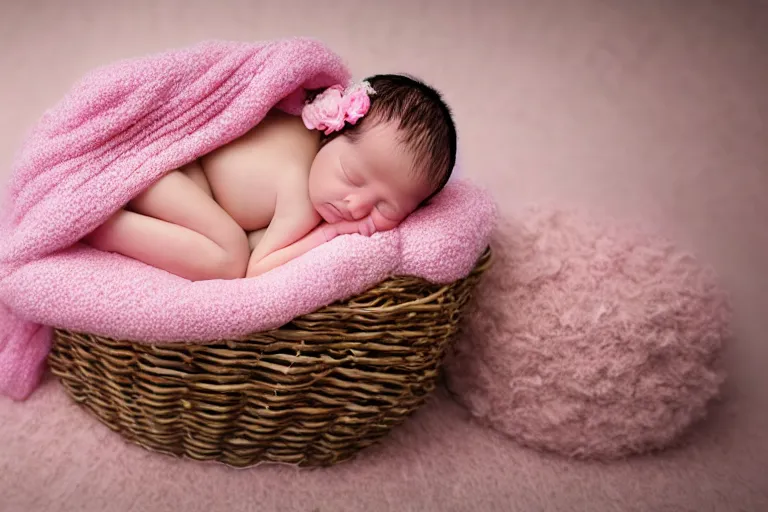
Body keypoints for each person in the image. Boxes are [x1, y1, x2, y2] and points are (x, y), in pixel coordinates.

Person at [83, 74, 457, 281]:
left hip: (185, 179)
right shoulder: (300, 193)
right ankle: (107, 228)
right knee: (231, 258)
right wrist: (329, 235)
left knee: (234, 233)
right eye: (352, 177)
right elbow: (260, 268)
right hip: (160, 172)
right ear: (332, 130)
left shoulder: (307, 143)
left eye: (385, 206)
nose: (355, 205)